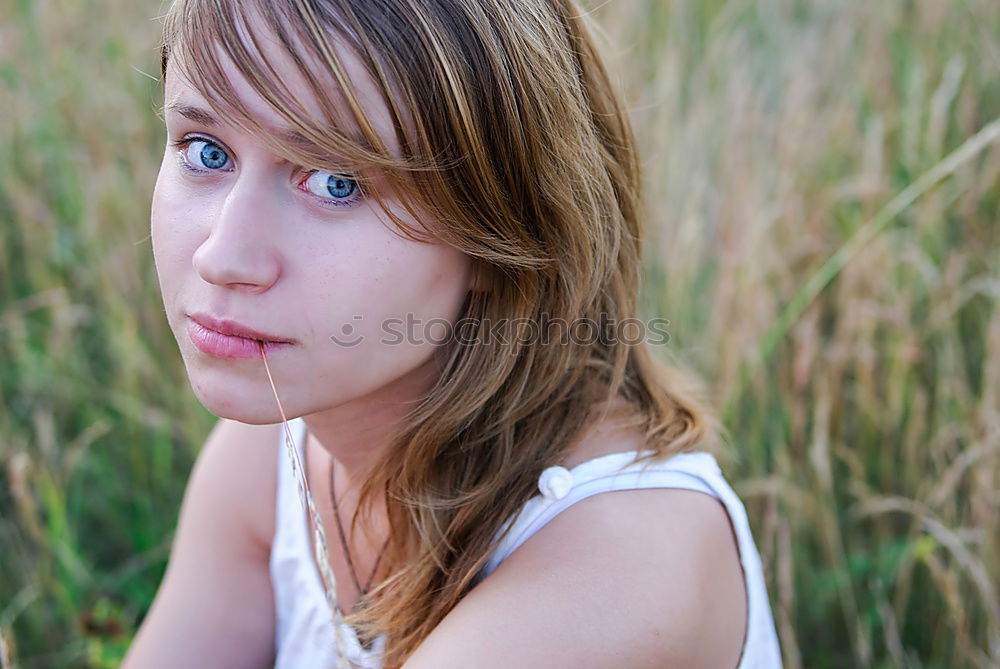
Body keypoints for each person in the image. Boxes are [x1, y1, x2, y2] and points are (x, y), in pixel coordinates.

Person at [122, 0, 783, 667]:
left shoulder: (617, 569)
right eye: (206, 152)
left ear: (503, 237)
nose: (224, 255)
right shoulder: (271, 453)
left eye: (336, 181)